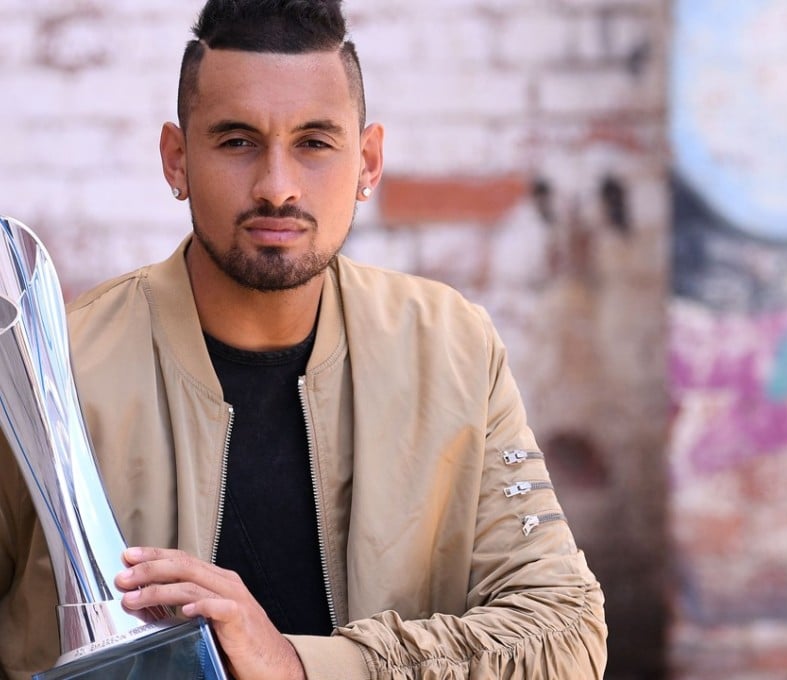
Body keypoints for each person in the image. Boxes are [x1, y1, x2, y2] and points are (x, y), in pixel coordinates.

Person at [0, 1, 608, 678]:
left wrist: (297, 664)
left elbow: (565, 629)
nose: (278, 188)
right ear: (177, 159)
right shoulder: (51, 372)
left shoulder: (451, 350)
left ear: (368, 160)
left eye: (314, 143)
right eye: (237, 141)